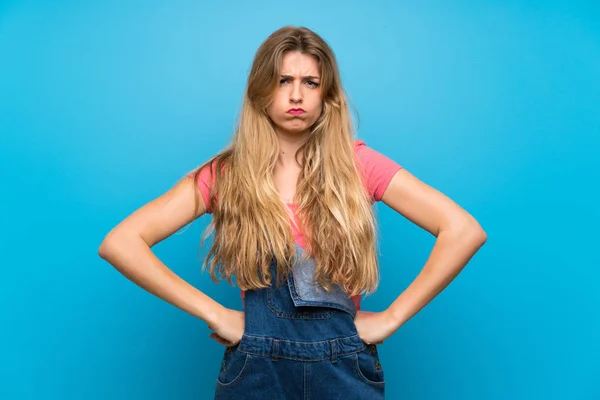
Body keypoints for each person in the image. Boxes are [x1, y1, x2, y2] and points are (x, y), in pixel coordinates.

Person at [98, 26, 487, 399]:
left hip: (344, 368)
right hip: (256, 372)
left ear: (326, 96)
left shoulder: (359, 166)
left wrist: (394, 316)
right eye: (283, 81)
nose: (297, 95)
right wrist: (215, 314)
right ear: (261, 91)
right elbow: (121, 243)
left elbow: (462, 230)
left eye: (310, 83)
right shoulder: (227, 175)